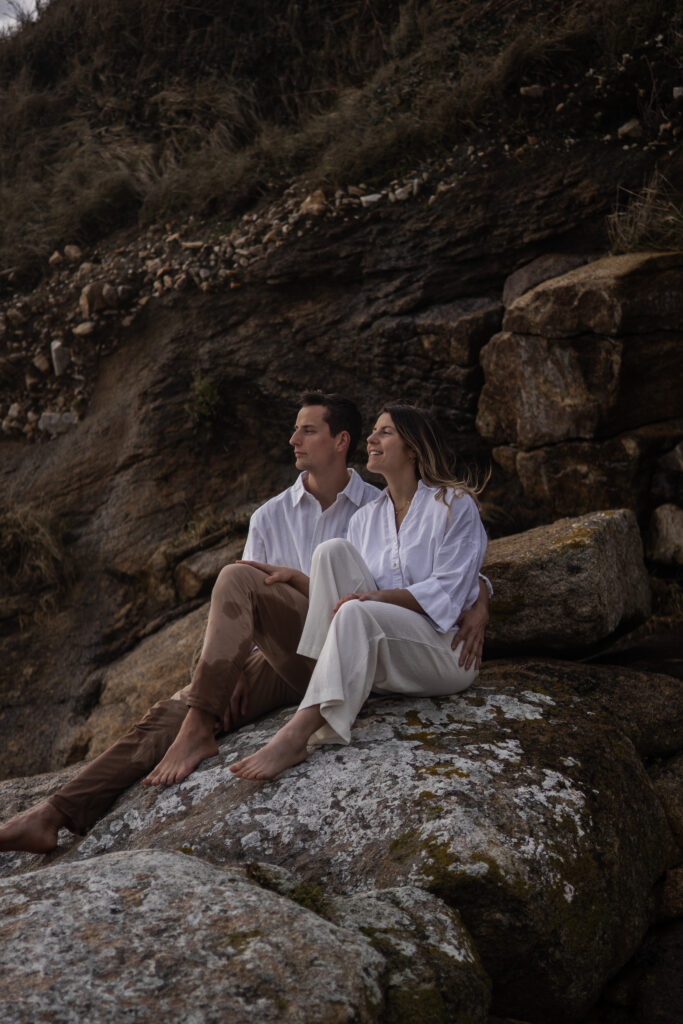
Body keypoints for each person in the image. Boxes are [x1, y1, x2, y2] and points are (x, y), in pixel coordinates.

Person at [0, 395, 490, 853]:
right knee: (179, 704)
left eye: (307, 431)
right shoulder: (273, 516)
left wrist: (483, 595)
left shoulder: (374, 506)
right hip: (286, 655)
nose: (293, 441)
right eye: (294, 431)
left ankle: (257, 725)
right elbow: (240, 610)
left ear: (339, 441)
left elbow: (441, 570)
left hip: (351, 643)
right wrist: (222, 673)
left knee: (330, 585)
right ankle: (57, 811)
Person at [230, 404, 488, 781]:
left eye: (384, 432)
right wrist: (298, 579)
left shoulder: (452, 505)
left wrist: (480, 603)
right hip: (385, 648)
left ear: (413, 448)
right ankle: (323, 675)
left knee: (356, 612)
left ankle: (297, 733)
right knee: (330, 552)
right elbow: (350, 589)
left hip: (444, 652)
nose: (371, 438)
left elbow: (451, 587)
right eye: (373, 431)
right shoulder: (366, 517)